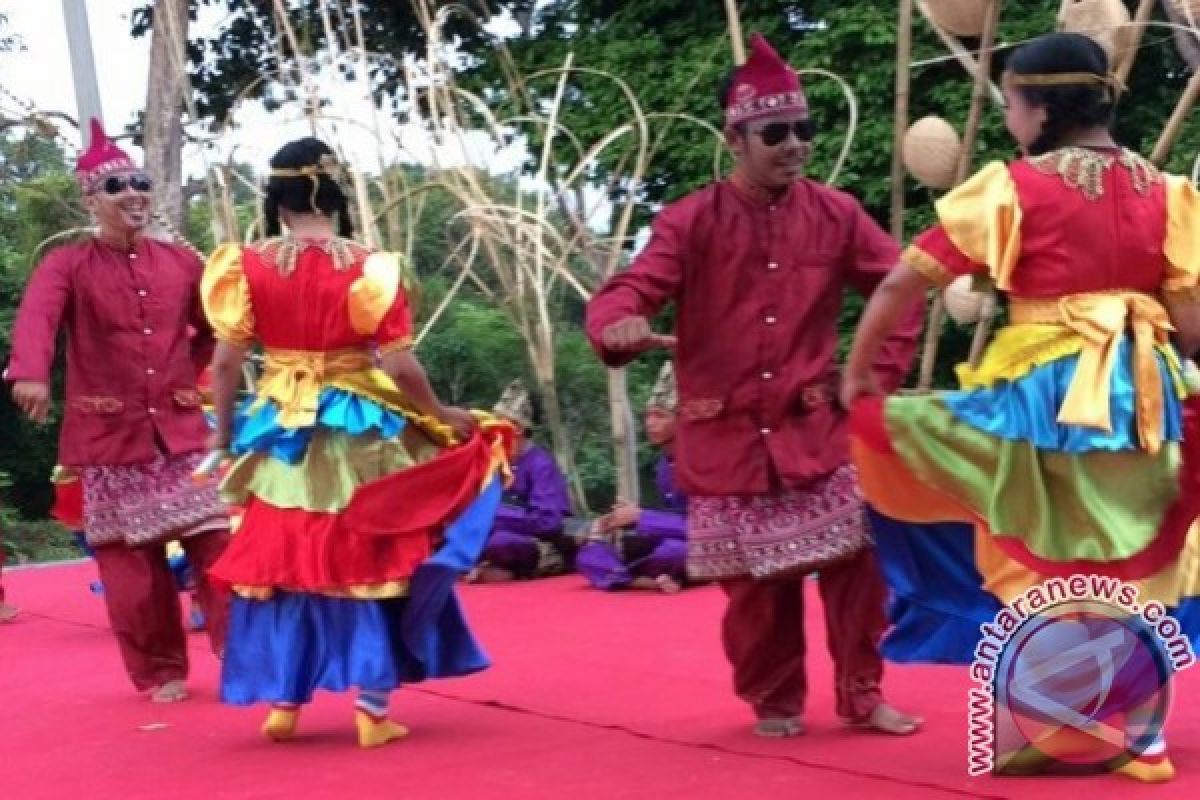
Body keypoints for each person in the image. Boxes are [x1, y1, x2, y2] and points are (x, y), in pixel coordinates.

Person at [842, 33, 1200, 783]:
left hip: (1044, 398)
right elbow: (1192, 322)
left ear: (1041, 108)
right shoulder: (1168, 192)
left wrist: (861, 376)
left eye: (1011, 104)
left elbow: (903, 283)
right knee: (1127, 556)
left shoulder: (1011, 187)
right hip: (1147, 395)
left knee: (1026, 553)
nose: (1009, 119)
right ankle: (1139, 737)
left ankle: (1069, 733)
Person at [585, 34, 924, 738]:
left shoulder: (836, 213)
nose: (795, 144)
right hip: (728, 439)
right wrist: (618, 321)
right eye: (776, 132)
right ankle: (776, 701)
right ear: (734, 137)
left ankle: (863, 693)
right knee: (755, 596)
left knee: (859, 570)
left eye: (803, 129)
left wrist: (867, 377)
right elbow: (633, 288)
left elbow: (902, 287)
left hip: (815, 431)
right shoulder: (689, 221)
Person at [202, 137, 511, 748]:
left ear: (277, 199)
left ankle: (285, 706)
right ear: (335, 196)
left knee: (288, 558)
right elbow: (400, 368)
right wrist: (442, 415)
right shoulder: (371, 265)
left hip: (282, 426)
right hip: (359, 422)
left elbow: (224, 366)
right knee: (370, 555)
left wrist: (223, 437)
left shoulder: (245, 263)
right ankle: (373, 709)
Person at [4, 119, 230, 701]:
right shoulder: (68, 265)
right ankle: (161, 671)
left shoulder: (180, 263)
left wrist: (191, 370)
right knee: (133, 568)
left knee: (217, 544)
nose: (133, 193)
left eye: (139, 182)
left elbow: (216, 328)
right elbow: (38, 320)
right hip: (109, 436)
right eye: (115, 186)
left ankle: (245, 653)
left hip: (179, 430)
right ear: (90, 199)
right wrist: (31, 374)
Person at [577, 361, 689, 593]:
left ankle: (630, 577)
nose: (650, 423)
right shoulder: (663, 465)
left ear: (682, 420)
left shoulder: (702, 463)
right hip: (667, 539)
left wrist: (642, 517)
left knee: (675, 551)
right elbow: (669, 516)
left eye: (660, 416)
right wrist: (616, 521)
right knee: (588, 553)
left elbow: (703, 526)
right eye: (648, 416)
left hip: (698, 542)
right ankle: (644, 580)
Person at [468, 380, 575, 583]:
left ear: (517, 428)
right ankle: (492, 569)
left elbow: (548, 522)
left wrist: (496, 516)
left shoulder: (540, 464)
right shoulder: (491, 459)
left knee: (502, 542)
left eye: (500, 423)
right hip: (486, 534)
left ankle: (493, 569)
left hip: (534, 542)